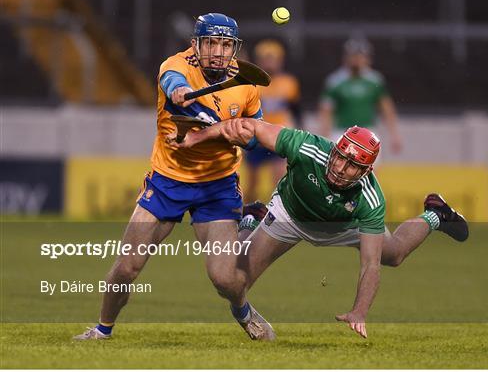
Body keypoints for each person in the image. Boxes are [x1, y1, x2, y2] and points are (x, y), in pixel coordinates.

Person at [179, 118, 468, 340]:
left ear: (367, 172)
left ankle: (435, 214)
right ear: (335, 147)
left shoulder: (370, 199)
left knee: (393, 254)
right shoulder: (306, 147)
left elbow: (370, 265)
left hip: (345, 226)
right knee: (233, 281)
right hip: (289, 215)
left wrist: (359, 311)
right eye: (341, 156)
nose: (341, 168)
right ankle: (253, 220)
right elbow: (253, 127)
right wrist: (201, 136)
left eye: (354, 165)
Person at [74, 13, 264, 340]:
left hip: (217, 187)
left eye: (225, 44)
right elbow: (172, 81)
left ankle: (243, 309)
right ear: (196, 44)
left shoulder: (244, 83)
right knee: (127, 267)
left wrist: (242, 135)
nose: (218, 51)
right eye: (211, 43)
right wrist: (179, 91)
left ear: (234, 48)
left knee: (224, 279)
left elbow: (256, 131)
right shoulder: (174, 66)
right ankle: (102, 331)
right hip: (167, 182)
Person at [318, 37, 402, 155]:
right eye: (353, 55)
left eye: (360, 55)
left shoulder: (375, 81)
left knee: (370, 171)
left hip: (368, 133)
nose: (357, 59)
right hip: (342, 132)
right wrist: (324, 137)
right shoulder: (335, 81)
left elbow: (387, 108)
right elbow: (326, 112)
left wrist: (394, 134)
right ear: (346, 57)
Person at [244, 39, 301, 202]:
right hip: (256, 137)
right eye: (265, 59)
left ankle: (273, 219)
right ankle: (245, 216)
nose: (269, 63)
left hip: (278, 136)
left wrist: (298, 131)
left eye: (273, 58)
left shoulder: (289, 83)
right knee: (252, 184)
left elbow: (296, 110)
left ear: (280, 60)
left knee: (279, 180)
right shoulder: (251, 84)